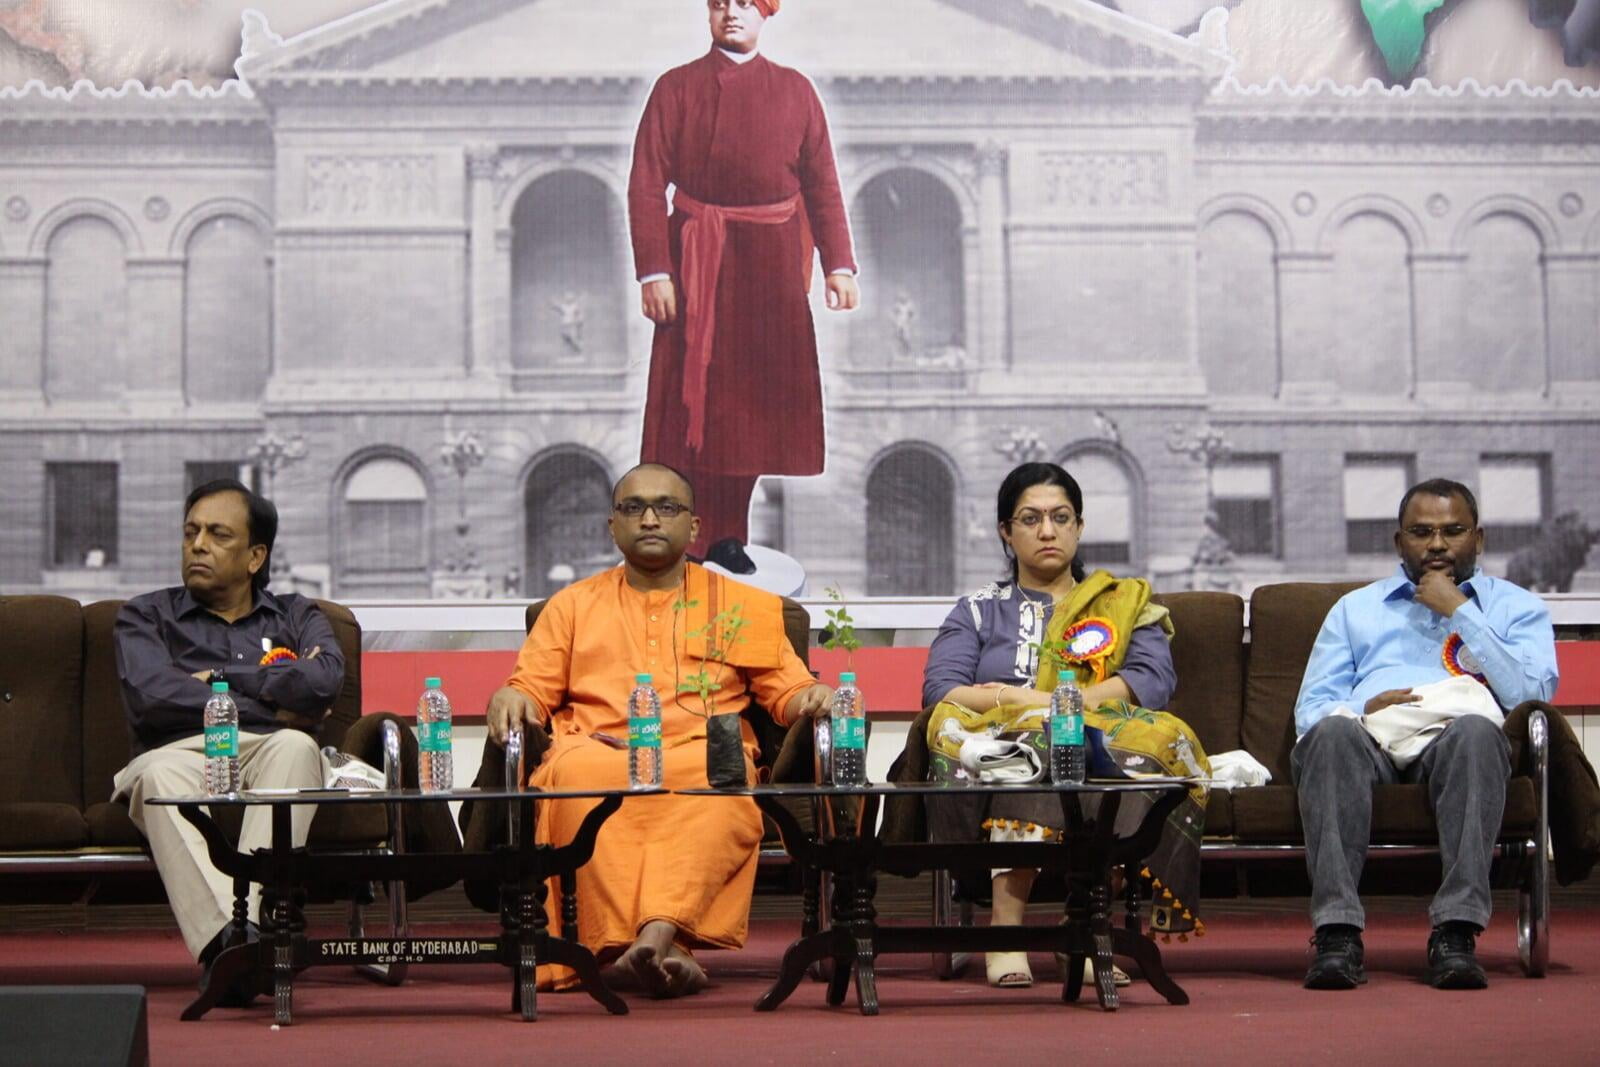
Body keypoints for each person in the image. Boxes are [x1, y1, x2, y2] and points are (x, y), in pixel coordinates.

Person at [485, 462, 833, 998]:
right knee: (577, 779)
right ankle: (652, 948)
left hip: (700, 752)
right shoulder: (571, 606)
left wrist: (812, 697)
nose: (650, 519)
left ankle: (652, 940)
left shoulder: (737, 605)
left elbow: (785, 691)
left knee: (718, 786)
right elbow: (533, 686)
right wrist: (513, 695)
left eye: (666, 507)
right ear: (613, 526)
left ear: (693, 527)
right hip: (598, 750)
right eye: (634, 508)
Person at [921, 462, 1207, 989]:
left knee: (1150, 742)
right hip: (1004, 740)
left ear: (1079, 526)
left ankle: (1085, 926)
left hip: (1100, 735)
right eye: (1030, 519)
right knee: (1028, 744)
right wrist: (1017, 701)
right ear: (1006, 532)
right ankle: (1007, 929)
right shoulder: (979, 611)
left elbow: (1150, 679)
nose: (1047, 531)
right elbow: (941, 689)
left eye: (1060, 517)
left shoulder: (1123, 604)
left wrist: (1065, 706)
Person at [1294, 478, 1558, 990]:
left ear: (1478, 538)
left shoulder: (1517, 608)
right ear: (1400, 542)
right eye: (1421, 532)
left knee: (1478, 734)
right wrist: (1362, 708)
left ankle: (1456, 934)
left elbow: (1532, 694)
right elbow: (1311, 711)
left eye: (1453, 531)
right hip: (1371, 736)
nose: (1437, 544)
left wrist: (1460, 610)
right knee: (1329, 735)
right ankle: (1337, 935)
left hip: (1456, 740)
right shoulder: (1356, 609)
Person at [628, 0, 859, 553]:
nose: (731, 13)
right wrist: (654, 271)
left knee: (751, 415)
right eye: (719, 3)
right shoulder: (675, 88)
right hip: (694, 263)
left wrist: (839, 264)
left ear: (765, 13)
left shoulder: (796, 91)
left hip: (769, 271)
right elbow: (645, 183)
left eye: (745, 3)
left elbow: (822, 183)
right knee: (691, 412)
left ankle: (729, 537)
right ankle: (688, 540)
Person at [111, 479, 343, 1002]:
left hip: (268, 748)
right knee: (157, 778)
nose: (198, 545)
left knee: (297, 748)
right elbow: (151, 696)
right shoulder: (145, 615)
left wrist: (222, 679)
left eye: (218, 535)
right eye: (190, 532)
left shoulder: (296, 614)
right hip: (180, 751)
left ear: (255, 556)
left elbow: (324, 680)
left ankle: (244, 942)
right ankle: (237, 943)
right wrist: (271, 703)